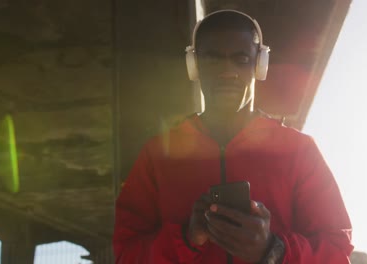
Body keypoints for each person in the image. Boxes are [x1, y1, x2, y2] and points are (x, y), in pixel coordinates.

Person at [113, 9, 353, 264]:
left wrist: (272, 249)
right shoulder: (157, 155)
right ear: (194, 66)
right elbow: (126, 254)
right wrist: (185, 238)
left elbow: (336, 251)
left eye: (241, 59)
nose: (227, 71)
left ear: (259, 66)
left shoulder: (298, 150)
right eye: (213, 59)